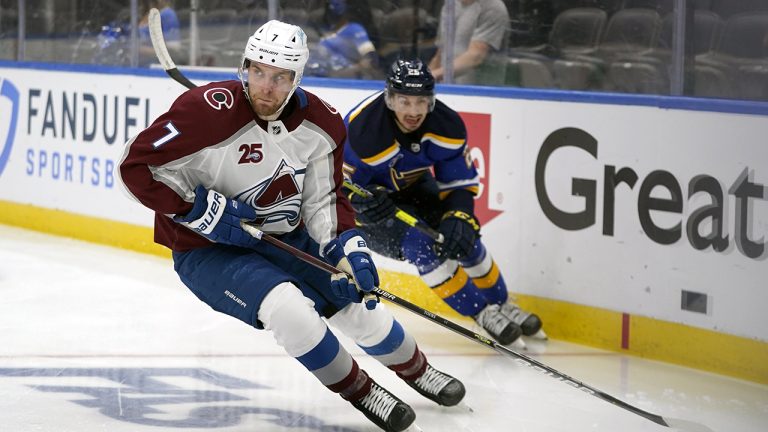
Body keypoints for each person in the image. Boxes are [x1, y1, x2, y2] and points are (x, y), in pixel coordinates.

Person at [119, 21, 464, 432]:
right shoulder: (203, 111)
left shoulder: (323, 124)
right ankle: (362, 390)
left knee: (359, 306)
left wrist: (347, 249)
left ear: (296, 78)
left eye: (280, 77)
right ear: (244, 67)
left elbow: (323, 200)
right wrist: (194, 208)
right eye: (258, 71)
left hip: (286, 238)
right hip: (209, 251)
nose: (266, 86)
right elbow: (135, 168)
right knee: (290, 311)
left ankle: (418, 370)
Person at [341, 59, 546, 348]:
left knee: (462, 237)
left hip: (413, 186)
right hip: (369, 212)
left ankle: (502, 303)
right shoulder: (363, 131)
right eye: (404, 101)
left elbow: (459, 183)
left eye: (420, 102)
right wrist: (363, 202)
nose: (413, 112)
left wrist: (459, 215)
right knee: (420, 246)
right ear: (390, 98)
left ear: (431, 101)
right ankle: (483, 314)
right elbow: (335, 186)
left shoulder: (447, 125)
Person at [428, 0, 510, 85]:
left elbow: (476, 56)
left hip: (480, 94)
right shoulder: (450, 5)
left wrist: (434, 75)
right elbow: (441, 52)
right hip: (448, 91)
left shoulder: (493, 8)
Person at [305, 0, 381, 79]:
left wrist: (343, 72)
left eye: (338, 5)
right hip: (314, 78)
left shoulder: (354, 29)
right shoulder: (320, 30)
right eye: (330, 6)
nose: (333, 9)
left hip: (342, 81)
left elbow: (370, 60)